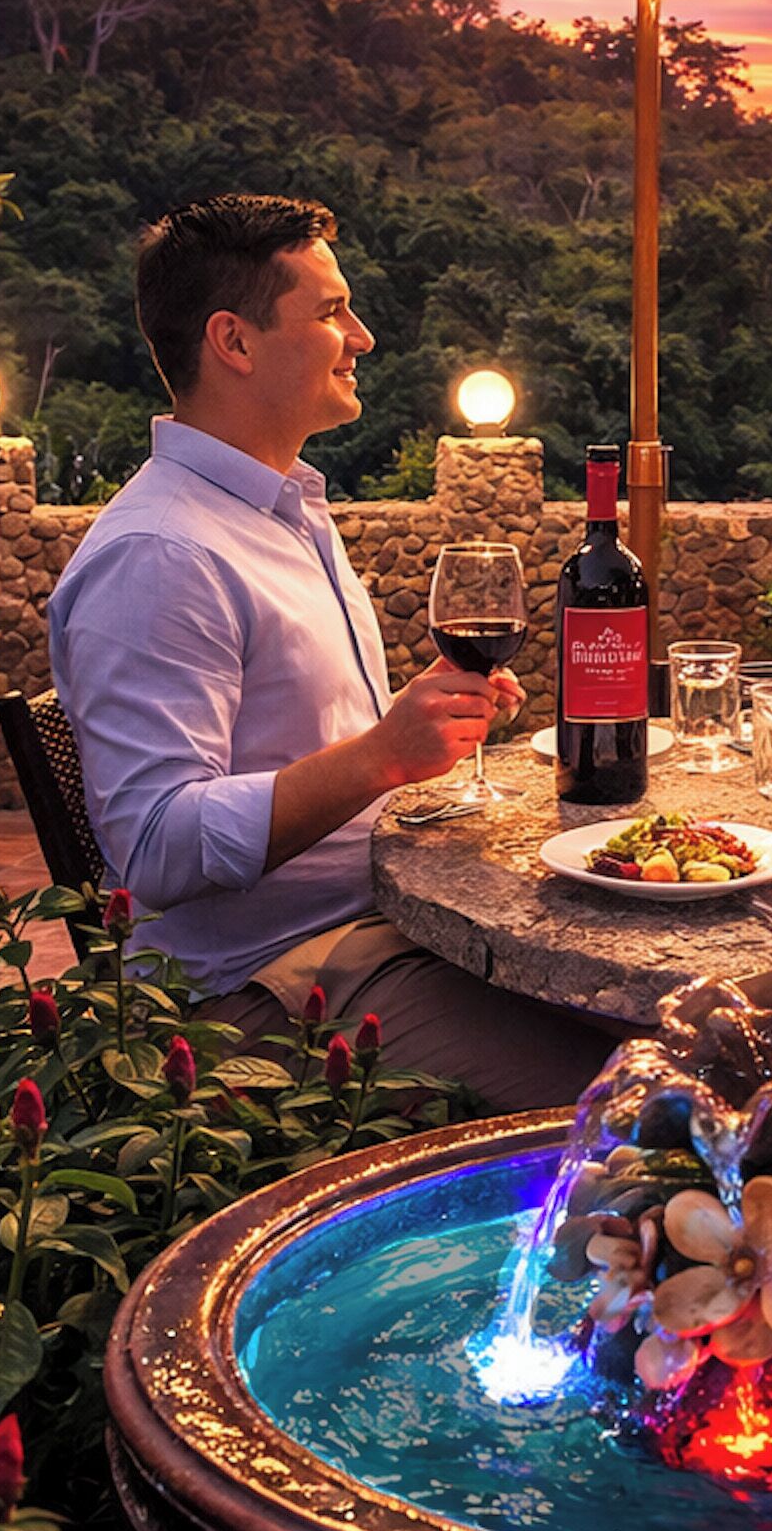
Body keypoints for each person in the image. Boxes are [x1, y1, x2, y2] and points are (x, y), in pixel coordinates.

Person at [47, 193, 621, 1112]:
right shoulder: (161, 556)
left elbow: (302, 746)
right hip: (260, 989)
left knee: (686, 1023)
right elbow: (155, 844)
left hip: (376, 930)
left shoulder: (278, 511)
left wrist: (412, 730)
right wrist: (380, 757)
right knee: (634, 1092)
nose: (362, 336)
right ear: (233, 342)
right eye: (329, 312)